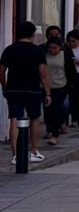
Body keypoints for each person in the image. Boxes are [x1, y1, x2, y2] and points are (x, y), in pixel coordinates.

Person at [1, 21, 51, 165]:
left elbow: (1, 71)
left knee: (14, 119)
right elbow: (43, 74)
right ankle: (34, 151)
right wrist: (48, 93)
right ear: (33, 35)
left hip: (13, 88)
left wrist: (5, 86)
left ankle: (16, 154)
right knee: (34, 119)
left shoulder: (9, 50)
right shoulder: (37, 51)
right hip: (33, 89)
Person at [42, 36, 70, 147]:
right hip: (45, 86)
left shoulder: (65, 56)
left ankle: (55, 133)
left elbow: (70, 71)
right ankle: (49, 129)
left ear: (60, 48)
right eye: (50, 48)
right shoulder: (44, 55)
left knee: (56, 109)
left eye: (55, 48)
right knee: (47, 109)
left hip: (60, 85)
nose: (52, 50)